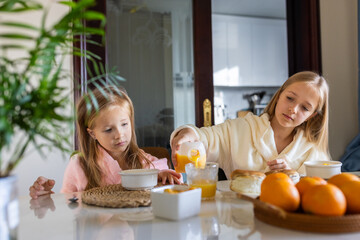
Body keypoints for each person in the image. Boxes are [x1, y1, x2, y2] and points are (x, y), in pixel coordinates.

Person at [171, 71, 330, 178]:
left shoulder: (314, 153)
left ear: (312, 115)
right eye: (290, 98)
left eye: (305, 108)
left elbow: (320, 193)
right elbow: (203, 137)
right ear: (280, 94)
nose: (293, 109)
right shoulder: (240, 129)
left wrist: (292, 176)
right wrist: (187, 135)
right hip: (241, 221)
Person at [30, 86, 181, 199]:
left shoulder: (144, 160)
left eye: (124, 124)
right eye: (109, 130)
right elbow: (69, 207)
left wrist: (164, 176)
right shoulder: (79, 165)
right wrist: (45, 199)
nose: (119, 135)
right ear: (92, 133)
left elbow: (163, 179)